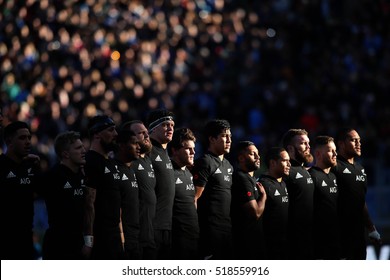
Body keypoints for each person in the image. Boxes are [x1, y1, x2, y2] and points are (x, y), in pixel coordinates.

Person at [332, 127, 382, 260]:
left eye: (359, 140)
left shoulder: (361, 169)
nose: (358, 143)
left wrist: (371, 228)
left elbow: (360, 201)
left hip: (358, 236)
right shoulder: (333, 167)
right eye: (353, 140)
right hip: (338, 236)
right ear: (341, 144)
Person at [83, 114, 124, 259]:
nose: (116, 134)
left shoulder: (112, 162)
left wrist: (121, 236)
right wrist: (89, 240)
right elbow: (89, 203)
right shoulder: (89, 162)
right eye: (111, 130)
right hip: (99, 239)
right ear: (96, 135)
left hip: (115, 238)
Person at [191, 119, 234, 260]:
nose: (229, 140)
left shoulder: (228, 165)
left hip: (227, 230)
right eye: (224, 136)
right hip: (209, 231)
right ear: (212, 139)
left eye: (230, 136)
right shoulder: (205, 162)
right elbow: (194, 198)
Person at [42, 131, 86, 259]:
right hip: (58, 246)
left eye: (83, 146)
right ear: (65, 154)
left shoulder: (84, 175)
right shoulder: (52, 176)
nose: (84, 150)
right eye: (78, 148)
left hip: (80, 244)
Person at [0, 121, 41, 259]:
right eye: (22, 138)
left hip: (26, 242)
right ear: (9, 142)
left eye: (29, 137)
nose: (28, 142)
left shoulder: (32, 166)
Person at [122, 120, 157, 259]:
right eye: (141, 133)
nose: (146, 136)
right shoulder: (127, 163)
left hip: (151, 237)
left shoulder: (148, 160)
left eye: (147, 133)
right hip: (134, 239)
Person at [146, 109, 175, 259]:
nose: (170, 128)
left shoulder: (165, 153)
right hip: (152, 228)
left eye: (172, 125)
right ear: (153, 128)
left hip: (167, 227)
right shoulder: (147, 151)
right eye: (165, 125)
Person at [281, 128, 315, 259]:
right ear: (290, 149)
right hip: (292, 245)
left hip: (309, 241)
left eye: (308, 143)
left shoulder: (308, 171)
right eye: (303, 143)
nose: (308, 146)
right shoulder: (285, 173)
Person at [230, 141, 267, 260]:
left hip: (255, 241)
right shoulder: (242, 178)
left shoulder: (250, 178)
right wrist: (263, 196)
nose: (258, 157)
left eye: (258, 153)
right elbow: (255, 212)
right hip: (246, 244)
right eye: (252, 154)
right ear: (241, 158)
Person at [169, 127, 200, 259]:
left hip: (194, 238)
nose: (193, 152)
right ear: (174, 150)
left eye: (193, 148)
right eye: (188, 149)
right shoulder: (168, 172)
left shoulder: (188, 172)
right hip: (176, 242)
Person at [309, 136, 341, 259]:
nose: (335, 154)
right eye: (330, 150)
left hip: (336, 242)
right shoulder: (310, 176)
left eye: (335, 150)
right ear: (318, 153)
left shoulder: (334, 177)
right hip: (318, 246)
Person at [113, 128, 141, 259]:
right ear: (121, 146)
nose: (138, 146)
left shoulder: (132, 170)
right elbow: (115, 209)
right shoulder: (113, 170)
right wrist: (122, 239)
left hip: (137, 239)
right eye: (134, 143)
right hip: (123, 242)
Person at [259, 146, 290, 260]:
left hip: (285, 245)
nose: (289, 164)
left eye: (289, 161)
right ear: (273, 163)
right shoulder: (262, 185)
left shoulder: (284, 183)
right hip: (269, 248)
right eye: (285, 161)